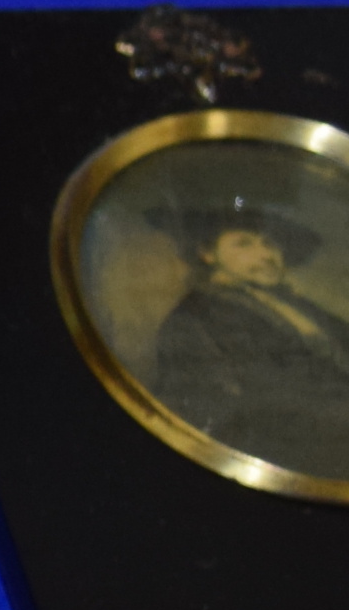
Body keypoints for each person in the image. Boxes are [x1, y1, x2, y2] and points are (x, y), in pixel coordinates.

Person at [145, 198, 349, 482]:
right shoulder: (194, 318)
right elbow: (233, 407)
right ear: (207, 253)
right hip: (278, 455)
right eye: (244, 243)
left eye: (270, 244)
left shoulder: (303, 308)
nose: (265, 255)